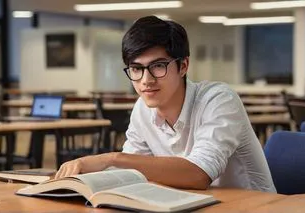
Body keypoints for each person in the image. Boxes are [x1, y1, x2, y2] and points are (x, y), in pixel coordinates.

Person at [55, 16, 276, 192]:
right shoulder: (143, 109)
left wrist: (111, 159)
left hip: (255, 207)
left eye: (158, 66)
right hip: (188, 204)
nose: (146, 80)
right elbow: (131, 170)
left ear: (183, 66)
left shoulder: (219, 100)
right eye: (136, 68)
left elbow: (198, 174)